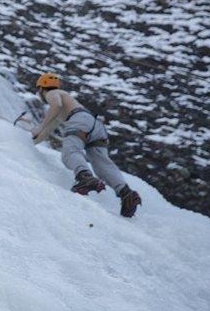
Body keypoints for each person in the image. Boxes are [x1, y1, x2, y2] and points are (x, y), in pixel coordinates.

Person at [31, 72, 141, 217]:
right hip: (95, 125)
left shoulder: (52, 93)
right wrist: (29, 141)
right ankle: (126, 193)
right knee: (102, 164)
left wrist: (40, 125)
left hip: (78, 121)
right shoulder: (63, 107)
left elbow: (55, 106)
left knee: (70, 152)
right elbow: (45, 133)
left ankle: (84, 178)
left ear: (41, 88)